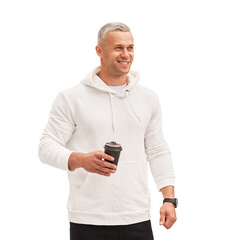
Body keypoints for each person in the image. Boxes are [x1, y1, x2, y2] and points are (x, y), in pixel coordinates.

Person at [38, 22, 177, 240]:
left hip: (137, 216)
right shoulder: (71, 98)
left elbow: (157, 149)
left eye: (130, 48)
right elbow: (46, 146)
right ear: (99, 51)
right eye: (118, 48)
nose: (126, 54)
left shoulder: (148, 98)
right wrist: (80, 159)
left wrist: (169, 199)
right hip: (88, 218)